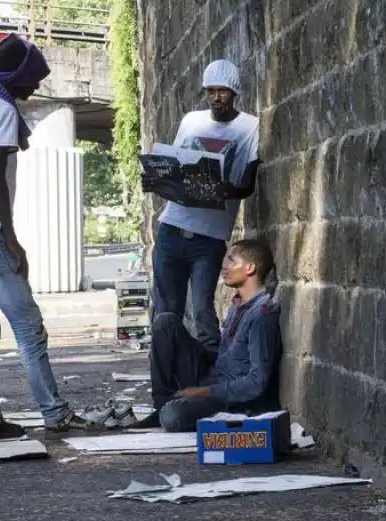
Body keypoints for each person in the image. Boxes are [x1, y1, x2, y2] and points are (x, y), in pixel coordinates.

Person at [0, 34, 92, 441]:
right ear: (14, 78)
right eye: (31, 80)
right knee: (29, 326)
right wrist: (11, 239)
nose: (34, 87)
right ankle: (55, 414)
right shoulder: (4, 114)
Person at [143, 58, 261, 351]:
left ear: (234, 92)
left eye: (222, 91)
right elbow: (176, 167)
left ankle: (210, 386)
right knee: (166, 313)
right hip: (172, 228)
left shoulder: (249, 127)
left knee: (203, 315)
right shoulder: (191, 121)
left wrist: (223, 190)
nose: (215, 98)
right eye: (210, 91)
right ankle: (165, 386)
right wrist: (157, 181)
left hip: (208, 239)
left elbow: (248, 184)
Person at [132, 239, 283, 431]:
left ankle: (168, 410)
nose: (224, 266)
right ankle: (161, 405)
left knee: (173, 416)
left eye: (231, 260)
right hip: (214, 376)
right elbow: (224, 357)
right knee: (165, 322)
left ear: (250, 268)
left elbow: (257, 381)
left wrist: (204, 392)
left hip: (230, 398)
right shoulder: (238, 306)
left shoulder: (262, 314)